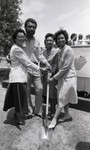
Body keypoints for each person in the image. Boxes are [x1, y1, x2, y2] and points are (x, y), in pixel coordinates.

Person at [3, 29, 44, 125]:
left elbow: (36, 54)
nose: (22, 38)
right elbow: (27, 62)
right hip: (18, 77)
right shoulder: (16, 48)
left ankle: (19, 115)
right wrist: (40, 69)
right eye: (19, 37)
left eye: (23, 37)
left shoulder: (19, 47)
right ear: (14, 38)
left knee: (21, 97)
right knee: (19, 98)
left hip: (21, 76)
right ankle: (18, 117)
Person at [48, 29, 77, 129]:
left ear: (66, 38)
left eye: (62, 38)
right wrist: (51, 71)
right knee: (65, 98)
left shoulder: (69, 50)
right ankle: (67, 115)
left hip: (69, 77)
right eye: (59, 38)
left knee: (61, 98)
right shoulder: (59, 50)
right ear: (56, 40)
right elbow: (56, 63)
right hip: (62, 78)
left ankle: (54, 119)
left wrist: (54, 78)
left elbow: (65, 68)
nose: (60, 39)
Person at [24, 18, 51, 117]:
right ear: (25, 27)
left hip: (36, 68)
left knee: (39, 89)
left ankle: (38, 110)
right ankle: (29, 109)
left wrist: (46, 63)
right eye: (30, 26)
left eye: (34, 27)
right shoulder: (21, 39)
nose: (32, 28)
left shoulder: (37, 41)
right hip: (25, 68)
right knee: (26, 91)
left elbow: (40, 55)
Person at [42, 33, 58, 115]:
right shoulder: (43, 52)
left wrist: (52, 72)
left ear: (53, 42)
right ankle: (47, 109)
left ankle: (53, 111)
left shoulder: (56, 51)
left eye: (51, 40)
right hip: (44, 75)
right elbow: (41, 62)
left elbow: (56, 63)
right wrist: (43, 70)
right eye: (47, 40)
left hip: (52, 76)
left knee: (52, 94)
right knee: (45, 93)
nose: (49, 42)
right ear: (45, 41)